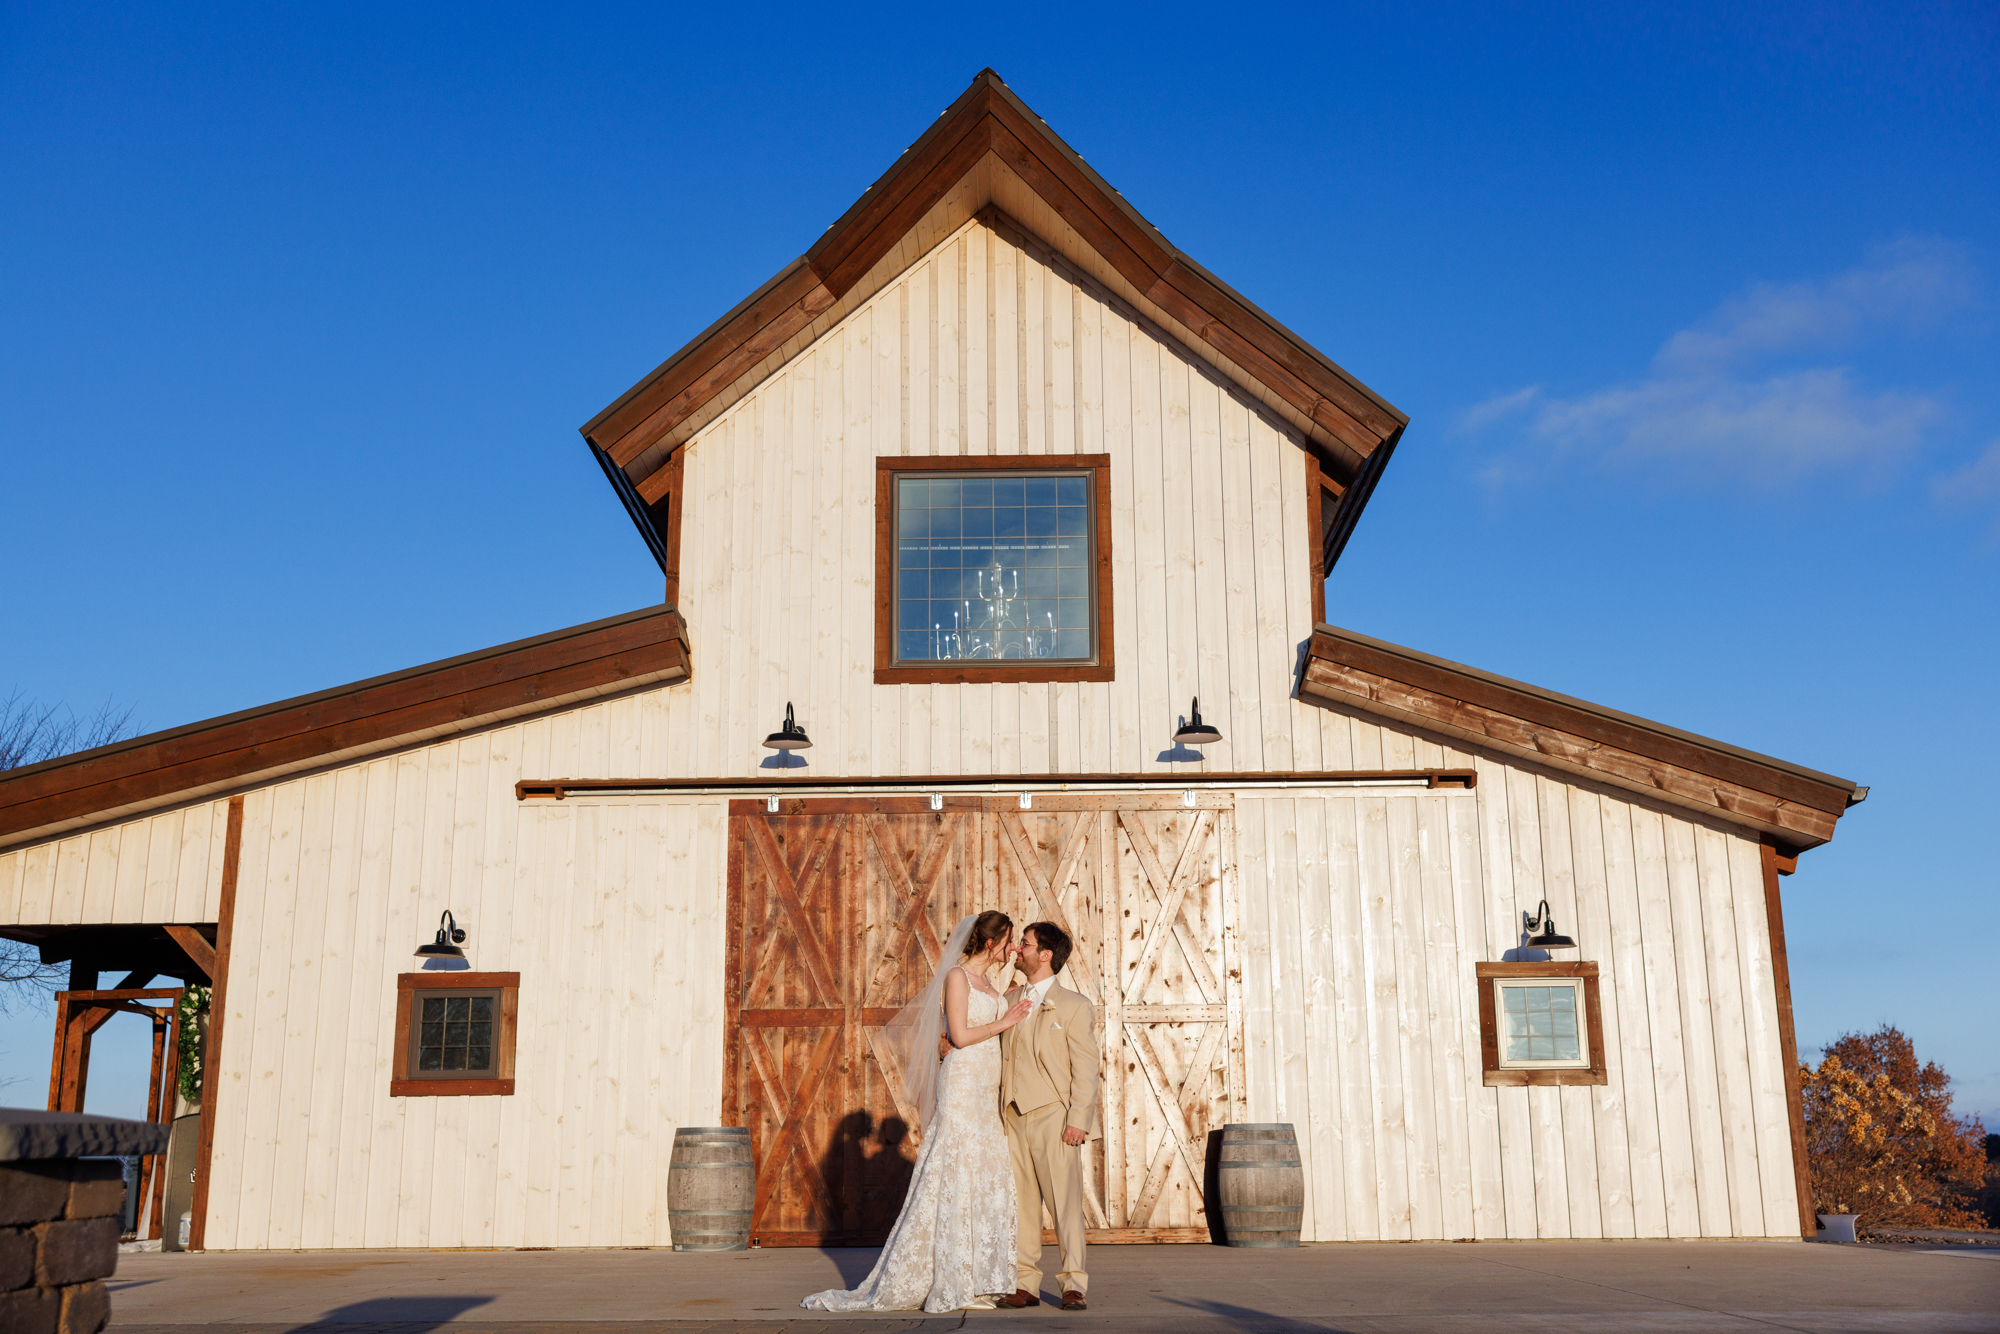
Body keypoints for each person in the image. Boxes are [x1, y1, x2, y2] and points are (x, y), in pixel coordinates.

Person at [800, 911, 1034, 1314]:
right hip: (962, 1083)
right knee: (955, 1170)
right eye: (1009, 940)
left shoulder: (989, 983)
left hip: (985, 1086)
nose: (1012, 946)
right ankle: (948, 1277)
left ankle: (979, 1277)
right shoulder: (957, 978)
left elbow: (996, 1008)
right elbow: (959, 1036)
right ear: (992, 942)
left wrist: (1013, 969)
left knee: (983, 1171)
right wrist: (1005, 1023)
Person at [994, 921, 1100, 1312]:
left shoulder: (1073, 1005)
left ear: (1046, 954)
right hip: (1012, 1115)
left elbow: (1086, 1069)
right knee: (1020, 1204)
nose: (1018, 949)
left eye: (1025, 944)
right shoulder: (1008, 1000)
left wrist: (1079, 1119)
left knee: (1064, 1204)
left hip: (1054, 1116)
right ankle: (1026, 1285)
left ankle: (1074, 1284)